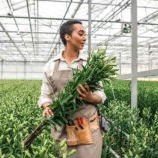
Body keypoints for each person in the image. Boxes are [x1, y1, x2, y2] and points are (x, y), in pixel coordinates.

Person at [38, 20, 106, 158]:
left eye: (85, 34)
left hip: (88, 129)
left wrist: (90, 97)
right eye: (80, 34)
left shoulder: (90, 64)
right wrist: (47, 106)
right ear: (67, 37)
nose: (84, 38)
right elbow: (45, 95)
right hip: (62, 128)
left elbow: (101, 94)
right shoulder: (51, 66)